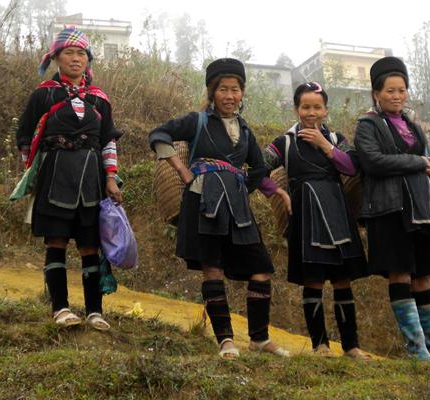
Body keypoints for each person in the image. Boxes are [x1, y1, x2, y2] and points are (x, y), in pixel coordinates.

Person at [148, 58, 288, 359]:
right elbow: (158, 134)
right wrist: (183, 171)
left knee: (262, 267)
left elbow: (258, 169)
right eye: (223, 89)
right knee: (212, 269)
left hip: (237, 209)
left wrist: (275, 192)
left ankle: (259, 338)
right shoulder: (196, 121)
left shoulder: (246, 131)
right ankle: (225, 340)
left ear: (242, 93)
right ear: (212, 92)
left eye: (235, 89)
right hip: (204, 203)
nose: (230, 95)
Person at [15, 26, 122, 331]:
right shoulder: (44, 93)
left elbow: (108, 141)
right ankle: (60, 308)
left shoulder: (99, 99)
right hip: (55, 176)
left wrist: (111, 178)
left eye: (81, 54)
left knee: (90, 245)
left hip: (91, 178)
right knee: (57, 241)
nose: (76, 59)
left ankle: (95, 311)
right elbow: (24, 136)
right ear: (57, 57)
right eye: (69, 53)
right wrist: (31, 173)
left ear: (88, 60)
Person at [354, 56, 430, 365]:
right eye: (390, 91)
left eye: (401, 90)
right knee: (400, 274)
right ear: (376, 94)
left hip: (420, 210)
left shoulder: (413, 125)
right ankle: (417, 352)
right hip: (389, 211)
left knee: (423, 276)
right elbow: (373, 161)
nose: (397, 96)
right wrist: (418, 164)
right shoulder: (367, 125)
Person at [261, 82, 372, 360]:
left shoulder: (336, 138)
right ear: (297, 109)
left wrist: (324, 146)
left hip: (337, 213)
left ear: (325, 110)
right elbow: (258, 168)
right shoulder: (284, 142)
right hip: (305, 216)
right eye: (306, 107)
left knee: (343, 281)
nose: (312, 113)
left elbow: (351, 166)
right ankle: (319, 345)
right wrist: (277, 191)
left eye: (317, 107)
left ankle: (351, 346)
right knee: (313, 282)